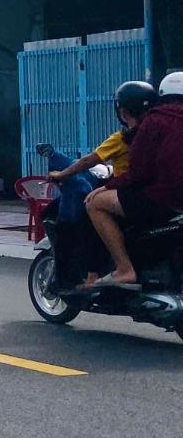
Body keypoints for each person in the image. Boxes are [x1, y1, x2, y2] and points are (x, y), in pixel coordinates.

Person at [47, 80, 155, 285]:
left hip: (130, 194)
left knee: (89, 212)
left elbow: (88, 161)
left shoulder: (122, 139)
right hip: (154, 193)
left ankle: (97, 273)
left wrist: (62, 175)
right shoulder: (157, 134)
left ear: (122, 112)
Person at [86, 71, 183, 286]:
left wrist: (107, 187)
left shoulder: (155, 121)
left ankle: (124, 269)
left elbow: (138, 171)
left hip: (164, 199)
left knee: (95, 203)